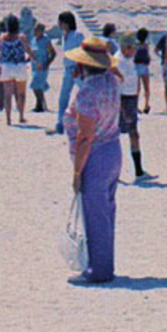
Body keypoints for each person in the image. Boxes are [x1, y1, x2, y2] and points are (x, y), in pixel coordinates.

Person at [63, 36, 122, 285]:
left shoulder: (88, 91)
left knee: (95, 213)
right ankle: (104, 264)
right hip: (113, 148)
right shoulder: (111, 81)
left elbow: (85, 136)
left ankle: (98, 270)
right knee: (106, 212)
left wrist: (77, 171)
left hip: (96, 153)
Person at [114, 34, 154, 182]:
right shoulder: (117, 61)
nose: (135, 51)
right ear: (126, 48)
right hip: (121, 100)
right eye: (133, 48)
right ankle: (114, 172)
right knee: (115, 135)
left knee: (134, 134)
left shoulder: (129, 60)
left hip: (130, 99)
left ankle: (138, 170)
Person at [0, 14, 33, 126]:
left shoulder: (2, 37)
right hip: (20, 65)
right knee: (21, 93)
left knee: (7, 94)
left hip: (6, 66)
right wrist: (35, 60)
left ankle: (8, 119)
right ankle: (21, 116)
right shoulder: (21, 37)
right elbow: (28, 50)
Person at [51, 11, 86, 136]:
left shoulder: (77, 35)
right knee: (63, 97)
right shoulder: (64, 36)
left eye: (60, 22)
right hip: (67, 70)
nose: (59, 25)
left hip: (77, 69)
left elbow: (83, 52)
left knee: (87, 92)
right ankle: (60, 123)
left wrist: (80, 67)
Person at [30, 23, 56, 113]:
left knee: (35, 85)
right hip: (34, 66)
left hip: (42, 66)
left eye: (36, 30)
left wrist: (47, 63)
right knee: (38, 85)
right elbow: (32, 52)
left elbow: (53, 53)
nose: (34, 31)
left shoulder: (46, 40)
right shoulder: (33, 40)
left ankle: (40, 105)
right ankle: (39, 104)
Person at [133, 28, 152, 113]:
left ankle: (136, 106)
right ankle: (146, 104)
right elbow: (148, 56)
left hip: (136, 66)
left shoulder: (135, 45)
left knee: (137, 88)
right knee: (146, 87)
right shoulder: (146, 45)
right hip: (144, 66)